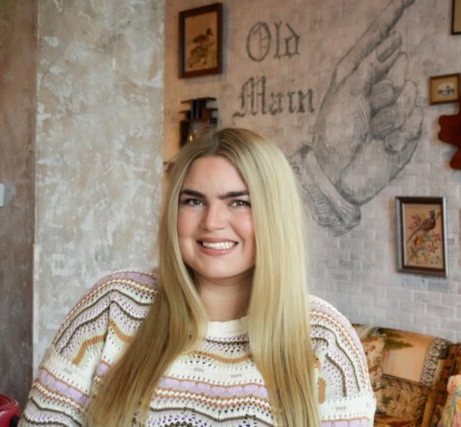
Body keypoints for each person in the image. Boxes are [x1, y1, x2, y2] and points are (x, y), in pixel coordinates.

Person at [19, 128, 375, 426]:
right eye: (194, 201)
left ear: (274, 215)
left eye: (239, 202)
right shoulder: (114, 303)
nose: (212, 222)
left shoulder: (326, 339)